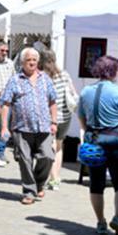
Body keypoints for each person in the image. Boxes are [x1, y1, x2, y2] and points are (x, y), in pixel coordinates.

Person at [77, 56, 118, 235]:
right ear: (113, 71)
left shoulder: (86, 92)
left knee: (96, 183)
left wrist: (89, 133)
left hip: (94, 140)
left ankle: (101, 222)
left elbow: (82, 119)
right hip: (116, 139)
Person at [0, 47, 58, 204]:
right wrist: (4, 127)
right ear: (22, 62)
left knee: (48, 156)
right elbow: (5, 104)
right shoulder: (15, 80)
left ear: (38, 62)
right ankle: (29, 192)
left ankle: (39, 183)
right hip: (22, 127)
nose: (31, 63)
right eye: (28, 60)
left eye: (34, 60)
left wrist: (54, 122)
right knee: (25, 160)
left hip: (44, 127)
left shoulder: (45, 79)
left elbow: (53, 101)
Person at [39, 48, 78, 189]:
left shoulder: (41, 77)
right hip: (66, 116)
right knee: (60, 146)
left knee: (50, 147)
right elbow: (73, 93)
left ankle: (53, 177)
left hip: (50, 117)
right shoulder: (64, 74)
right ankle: (57, 176)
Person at [0, 41, 15, 166]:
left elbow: (14, 79)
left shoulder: (10, 63)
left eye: (6, 51)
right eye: (2, 50)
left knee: (4, 126)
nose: (4, 53)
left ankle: (0, 151)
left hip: (7, 100)